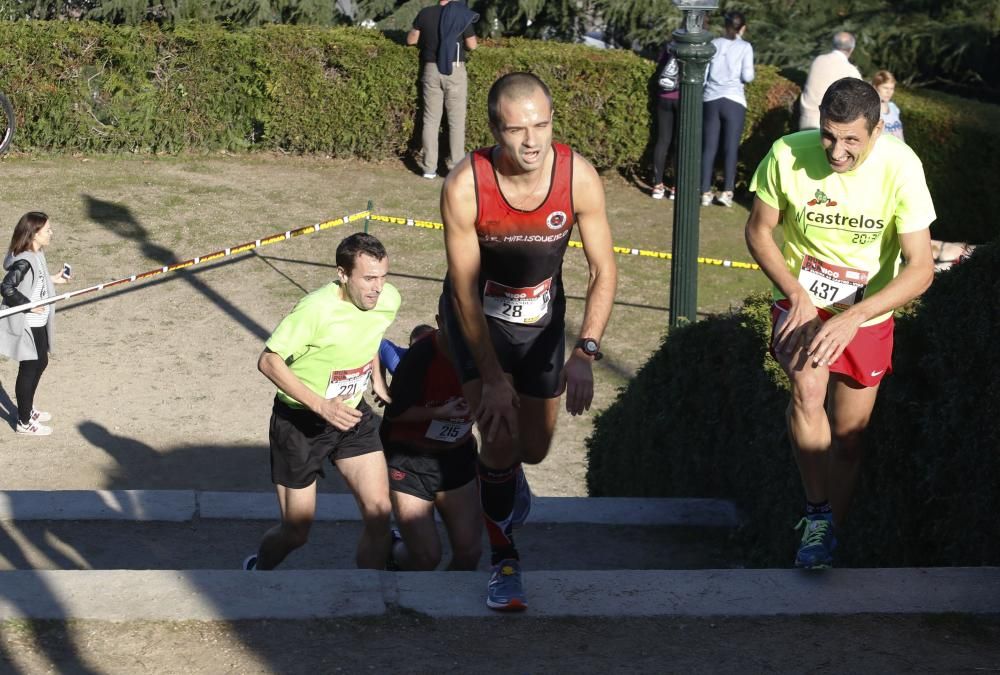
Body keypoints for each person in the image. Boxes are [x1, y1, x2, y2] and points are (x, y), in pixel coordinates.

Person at [440, 72, 618, 610]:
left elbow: (602, 269)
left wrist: (586, 350)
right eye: (518, 130)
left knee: (532, 450)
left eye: (541, 125)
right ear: (496, 130)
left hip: (542, 324)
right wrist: (491, 379)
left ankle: (502, 478)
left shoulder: (577, 177)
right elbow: (467, 293)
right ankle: (505, 562)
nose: (532, 141)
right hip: (478, 320)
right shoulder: (466, 184)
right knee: (496, 435)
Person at [745, 77, 935, 569]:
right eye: (829, 135)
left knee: (850, 438)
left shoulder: (902, 166)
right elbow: (759, 230)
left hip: (867, 313)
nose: (837, 150)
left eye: (852, 140)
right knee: (807, 392)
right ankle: (816, 514)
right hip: (803, 299)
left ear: (876, 132)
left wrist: (855, 316)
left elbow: (920, 269)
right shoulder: (788, 154)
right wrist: (795, 293)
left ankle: (828, 534)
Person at [244, 232, 400, 571]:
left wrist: (376, 378)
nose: (378, 287)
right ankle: (258, 570)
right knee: (296, 531)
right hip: (301, 423)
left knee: (378, 513)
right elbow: (268, 361)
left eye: (384, 277)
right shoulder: (315, 309)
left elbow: (370, 333)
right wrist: (321, 405)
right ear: (343, 274)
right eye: (369, 278)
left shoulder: (387, 300)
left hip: (351, 416)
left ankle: (368, 597)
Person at [380, 323, 482, 571]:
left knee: (470, 553)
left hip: (456, 456)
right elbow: (395, 414)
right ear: (440, 322)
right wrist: (379, 384)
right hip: (410, 458)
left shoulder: (489, 352)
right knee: (426, 558)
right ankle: (393, 549)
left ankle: (448, 607)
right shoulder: (418, 357)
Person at [0, 212, 71, 436]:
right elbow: (7, 288)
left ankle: (27, 409)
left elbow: (34, 278)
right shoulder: (23, 260)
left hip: (38, 320)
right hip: (28, 322)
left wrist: (52, 279)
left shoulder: (35, 253)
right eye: (47, 230)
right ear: (34, 234)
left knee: (40, 362)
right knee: (30, 367)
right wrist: (28, 305)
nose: (51, 233)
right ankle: (23, 421)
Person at [408, 0, 479, 180]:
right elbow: (472, 45)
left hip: (431, 69)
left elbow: (411, 40)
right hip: (454, 69)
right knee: (456, 122)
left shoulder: (425, 13)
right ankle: (455, 168)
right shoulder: (462, 14)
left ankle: (429, 169)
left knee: (430, 120)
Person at [700, 11, 754, 208]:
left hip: (711, 98)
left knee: (709, 147)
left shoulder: (714, 44)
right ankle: (726, 191)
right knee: (731, 148)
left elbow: (705, 74)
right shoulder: (745, 47)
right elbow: (748, 76)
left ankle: (705, 191)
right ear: (743, 28)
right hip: (734, 99)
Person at [798, 32, 862, 130]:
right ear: (851, 49)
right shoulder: (851, 71)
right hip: (828, 127)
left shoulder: (818, 60)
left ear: (833, 44)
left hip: (805, 119)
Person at [649, 38, 680, 200]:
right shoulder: (696, 44)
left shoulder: (670, 44)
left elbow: (660, 64)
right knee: (678, 143)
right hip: (682, 97)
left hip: (664, 96)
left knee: (662, 141)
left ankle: (657, 185)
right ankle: (676, 187)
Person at [872, 70, 904, 142]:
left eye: (892, 88)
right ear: (875, 87)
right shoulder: (871, 111)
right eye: (885, 88)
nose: (889, 92)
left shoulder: (894, 108)